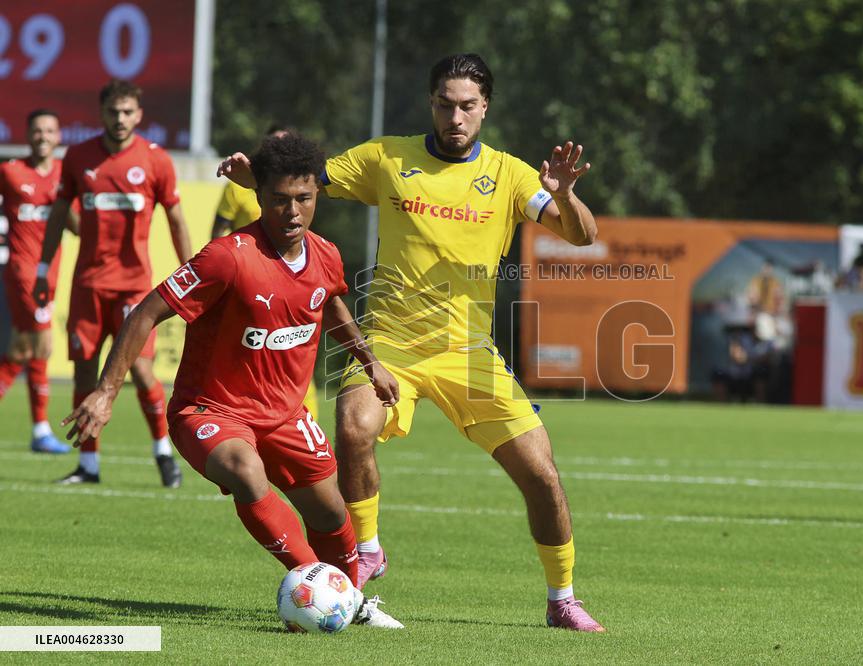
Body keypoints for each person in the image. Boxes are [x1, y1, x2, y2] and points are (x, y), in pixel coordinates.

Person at [220, 53, 605, 632]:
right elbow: (305, 185)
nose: (456, 117)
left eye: (468, 106)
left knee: (542, 475)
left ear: (485, 109)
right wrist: (258, 177)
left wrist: (567, 194)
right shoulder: (386, 158)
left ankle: (563, 599)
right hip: (391, 341)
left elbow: (582, 235)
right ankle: (368, 548)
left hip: (470, 354)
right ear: (431, 103)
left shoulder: (511, 175)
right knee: (352, 427)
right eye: (446, 104)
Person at [64, 132, 403, 629]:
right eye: (280, 200)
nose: (292, 212)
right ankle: (328, 593)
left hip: (285, 415)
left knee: (332, 515)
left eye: (304, 199)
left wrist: (369, 360)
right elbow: (144, 312)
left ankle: (349, 596)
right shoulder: (228, 257)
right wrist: (106, 389)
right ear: (259, 196)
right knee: (245, 470)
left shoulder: (326, 254)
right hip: (209, 411)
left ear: (315, 197)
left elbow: (328, 301)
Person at [34, 79, 192, 487]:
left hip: (134, 289)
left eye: (127, 112)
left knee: (140, 372)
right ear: (101, 113)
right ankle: (88, 465)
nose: (120, 119)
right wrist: (42, 268)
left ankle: (163, 453)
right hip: (87, 286)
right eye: (113, 112)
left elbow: (175, 219)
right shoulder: (79, 157)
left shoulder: (156, 161)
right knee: (85, 375)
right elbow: (57, 216)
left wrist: (191, 271)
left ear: (138, 115)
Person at [212, 124, 321, 417]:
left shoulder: (301, 188)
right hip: (251, 285)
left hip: (292, 286)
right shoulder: (237, 189)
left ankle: (299, 429)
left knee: (294, 366)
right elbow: (219, 233)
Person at [0, 109, 78, 453]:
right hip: (24, 273)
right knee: (42, 346)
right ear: (28, 135)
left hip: (52, 272)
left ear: (58, 136)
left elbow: (76, 227)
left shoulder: (65, 175)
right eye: (37, 131)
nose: (43, 136)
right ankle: (41, 430)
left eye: (49, 130)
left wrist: (64, 201)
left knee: (21, 351)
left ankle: (40, 431)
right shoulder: (10, 171)